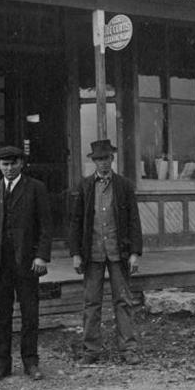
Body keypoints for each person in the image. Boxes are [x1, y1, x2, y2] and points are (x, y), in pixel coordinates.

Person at [0, 145, 53, 382]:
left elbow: (46, 226)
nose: (9, 169)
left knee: (30, 313)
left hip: (27, 263)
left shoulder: (35, 189)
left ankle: (30, 361)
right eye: (4, 164)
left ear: (21, 164)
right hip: (0, 264)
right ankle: (3, 364)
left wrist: (41, 256)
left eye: (13, 164)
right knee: (1, 314)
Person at [69, 139, 143, 364]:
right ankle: (91, 350)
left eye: (106, 158)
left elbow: (133, 221)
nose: (102, 163)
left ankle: (128, 349)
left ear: (112, 159)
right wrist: (76, 253)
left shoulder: (124, 185)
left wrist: (134, 253)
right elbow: (76, 221)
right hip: (92, 253)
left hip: (118, 252)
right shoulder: (84, 186)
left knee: (123, 300)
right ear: (93, 161)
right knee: (92, 302)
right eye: (98, 159)